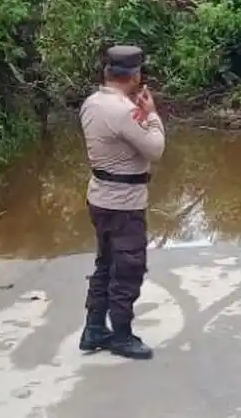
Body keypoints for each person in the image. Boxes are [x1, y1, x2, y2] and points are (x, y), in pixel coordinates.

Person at [78, 45, 166, 360]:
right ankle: (121, 335)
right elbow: (155, 148)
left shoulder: (92, 103)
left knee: (106, 263)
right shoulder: (122, 110)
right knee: (127, 268)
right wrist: (152, 115)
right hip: (124, 204)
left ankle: (94, 328)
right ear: (135, 76)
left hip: (99, 197)